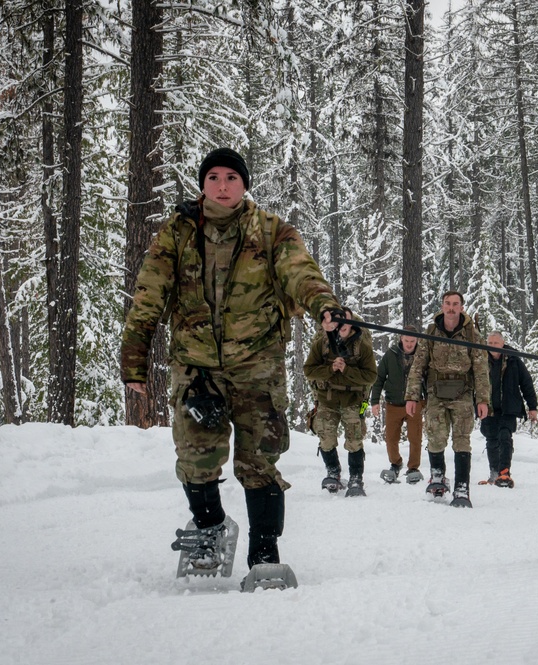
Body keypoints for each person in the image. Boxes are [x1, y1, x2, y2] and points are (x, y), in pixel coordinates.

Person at [121, 147, 343, 574]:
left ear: (245, 185)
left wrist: (325, 307)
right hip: (196, 367)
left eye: (231, 179)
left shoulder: (272, 231)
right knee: (195, 457)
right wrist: (134, 358)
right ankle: (209, 527)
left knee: (259, 460)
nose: (222, 187)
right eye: (214, 178)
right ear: (203, 184)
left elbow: (302, 274)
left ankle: (264, 554)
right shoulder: (178, 232)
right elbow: (149, 296)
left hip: (257, 366)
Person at [404, 291, 490, 506]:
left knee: (462, 439)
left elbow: (480, 370)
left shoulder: (472, 335)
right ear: (442, 306)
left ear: (461, 307)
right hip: (436, 392)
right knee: (435, 437)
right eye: (447, 304)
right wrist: (412, 396)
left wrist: (483, 400)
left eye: (455, 304)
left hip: (462, 393)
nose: (451, 308)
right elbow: (418, 366)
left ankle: (461, 488)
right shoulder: (431, 332)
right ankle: (437, 478)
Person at [303, 307, 378, 497]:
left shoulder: (362, 346)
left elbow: (371, 376)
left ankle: (355, 478)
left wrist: (347, 371)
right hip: (327, 399)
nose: (342, 326)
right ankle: (333, 472)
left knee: (354, 440)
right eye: (339, 322)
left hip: (352, 400)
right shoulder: (322, 344)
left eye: (346, 322)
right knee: (325, 438)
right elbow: (309, 370)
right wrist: (330, 369)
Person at [478, 331, 538, 488]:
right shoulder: (480, 360)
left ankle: (504, 472)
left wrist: (532, 407)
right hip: (488, 407)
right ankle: (494, 473)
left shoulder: (513, 360)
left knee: (505, 436)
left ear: (503, 344)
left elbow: (526, 383)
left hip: (508, 408)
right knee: (491, 439)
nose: (492, 346)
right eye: (490, 343)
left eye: (496, 343)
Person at [370, 325, 425, 485]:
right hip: (393, 403)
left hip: (415, 402)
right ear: (401, 339)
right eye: (406, 340)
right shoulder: (391, 355)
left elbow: (428, 379)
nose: (409, 344)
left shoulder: (422, 356)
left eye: (412, 341)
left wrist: (426, 401)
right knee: (391, 438)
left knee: (415, 437)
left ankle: (413, 468)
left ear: (417, 341)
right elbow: (379, 378)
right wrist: (374, 402)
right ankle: (395, 463)